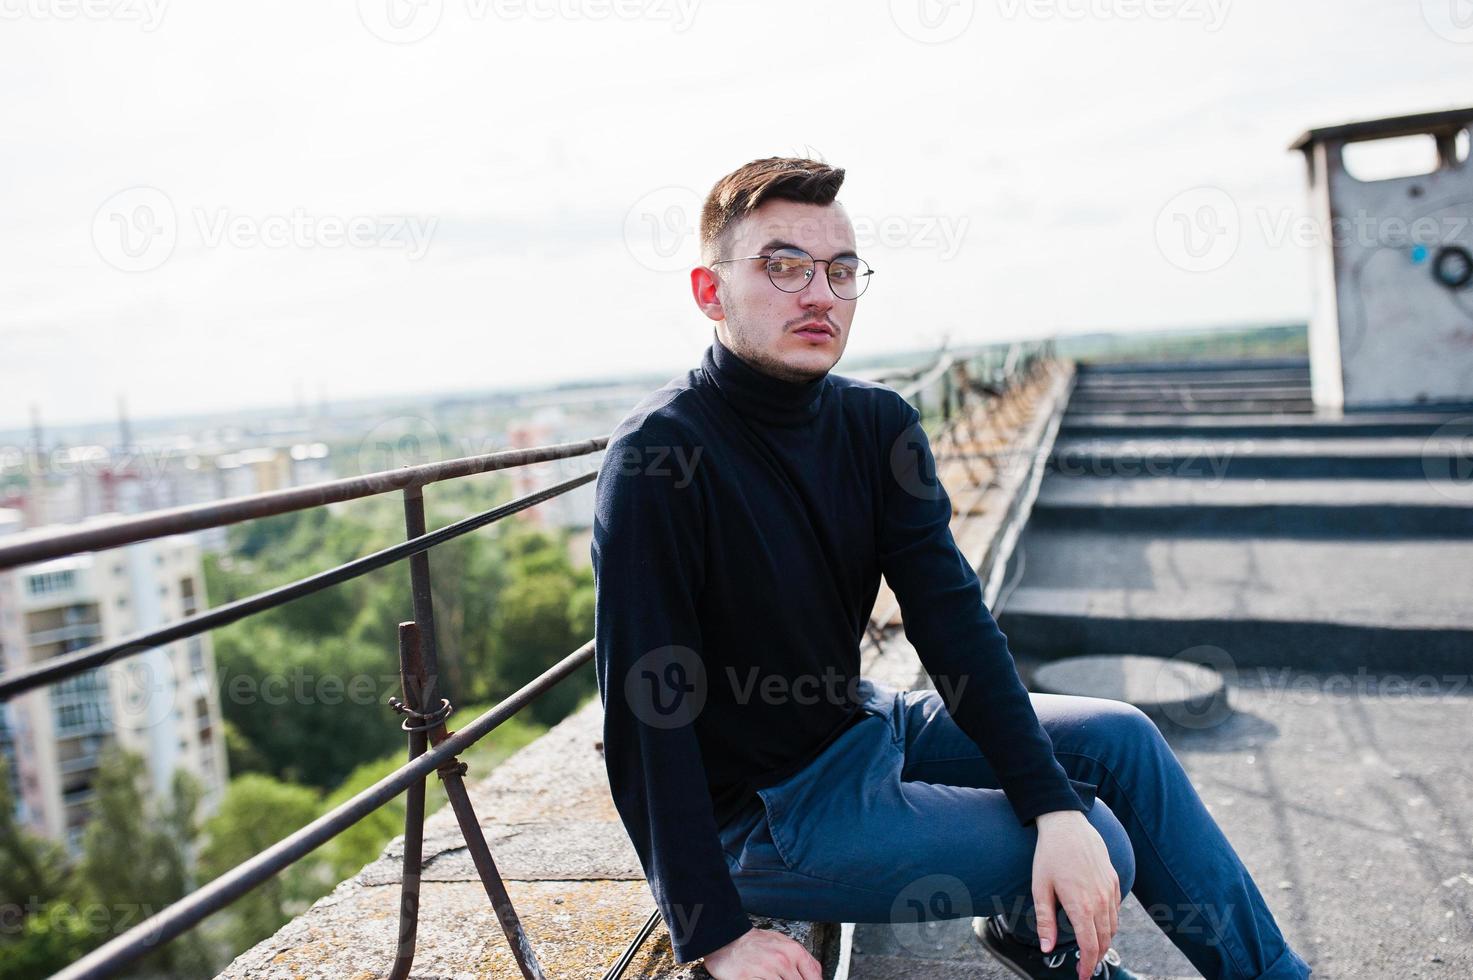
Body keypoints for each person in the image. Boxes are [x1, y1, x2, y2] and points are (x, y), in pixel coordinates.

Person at [591, 156, 1312, 980]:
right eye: (782, 267)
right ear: (710, 292)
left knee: (1122, 740)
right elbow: (644, 713)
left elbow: (951, 621)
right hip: (767, 812)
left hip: (861, 723)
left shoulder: (875, 423)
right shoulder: (660, 457)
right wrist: (714, 934)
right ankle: (1058, 950)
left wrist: (1047, 802)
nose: (819, 293)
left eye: (839, 270)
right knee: (1097, 840)